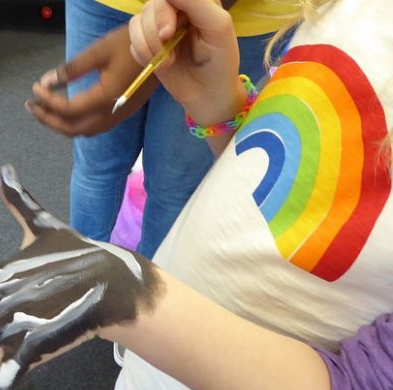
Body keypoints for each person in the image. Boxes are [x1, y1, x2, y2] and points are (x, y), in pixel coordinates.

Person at [0, 0, 393, 390]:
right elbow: (299, 186)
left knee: (165, 190)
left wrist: (130, 298)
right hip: (185, 380)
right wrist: (221, 111)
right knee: (105, 171)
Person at [25, 0, 299, 260]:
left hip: (235, 23)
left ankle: (144, 295)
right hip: (108, 6)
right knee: (98, 168)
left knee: (174, 186)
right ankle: (81, 279)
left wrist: (168, 28)